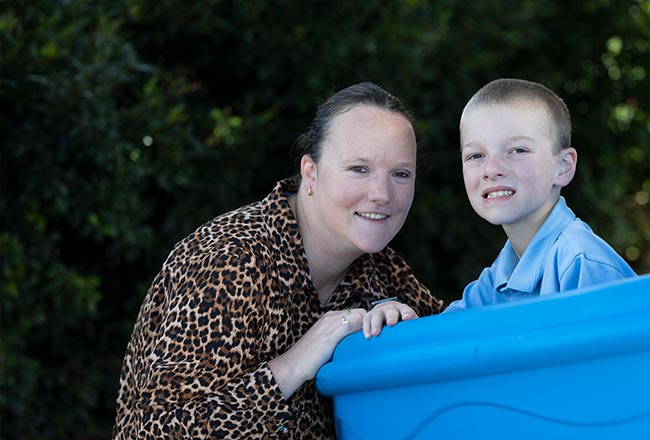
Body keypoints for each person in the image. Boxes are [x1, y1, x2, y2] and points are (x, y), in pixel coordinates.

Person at [112, 82, 444, 439]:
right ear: (310, 172)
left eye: (400, 174)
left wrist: (410, 336)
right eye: (359, 169)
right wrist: (295, 363)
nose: (381, 194)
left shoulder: (384, 273)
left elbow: (463, 367)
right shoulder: (230, 261)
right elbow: (156, 432)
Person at [446, 78, 636, 312]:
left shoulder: (581, 263)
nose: (491, 169)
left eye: (517, 150)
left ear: (563, 166)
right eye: (476, 156)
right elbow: (440, 338)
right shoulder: (499, 277)